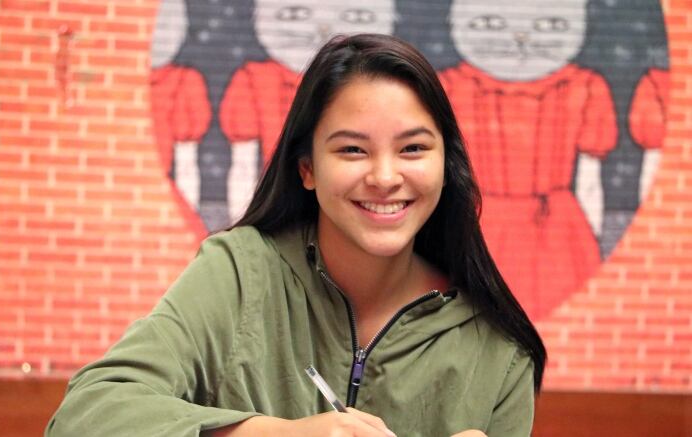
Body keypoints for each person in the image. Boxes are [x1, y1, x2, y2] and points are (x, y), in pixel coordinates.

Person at [46, 34, 546, 437]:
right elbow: (84, 416)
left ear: (445, 165)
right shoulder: (239, 272)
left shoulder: (500, 353)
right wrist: (270, 433)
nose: (385, 176)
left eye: (413, 149)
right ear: (307, 168)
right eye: (352, 150)